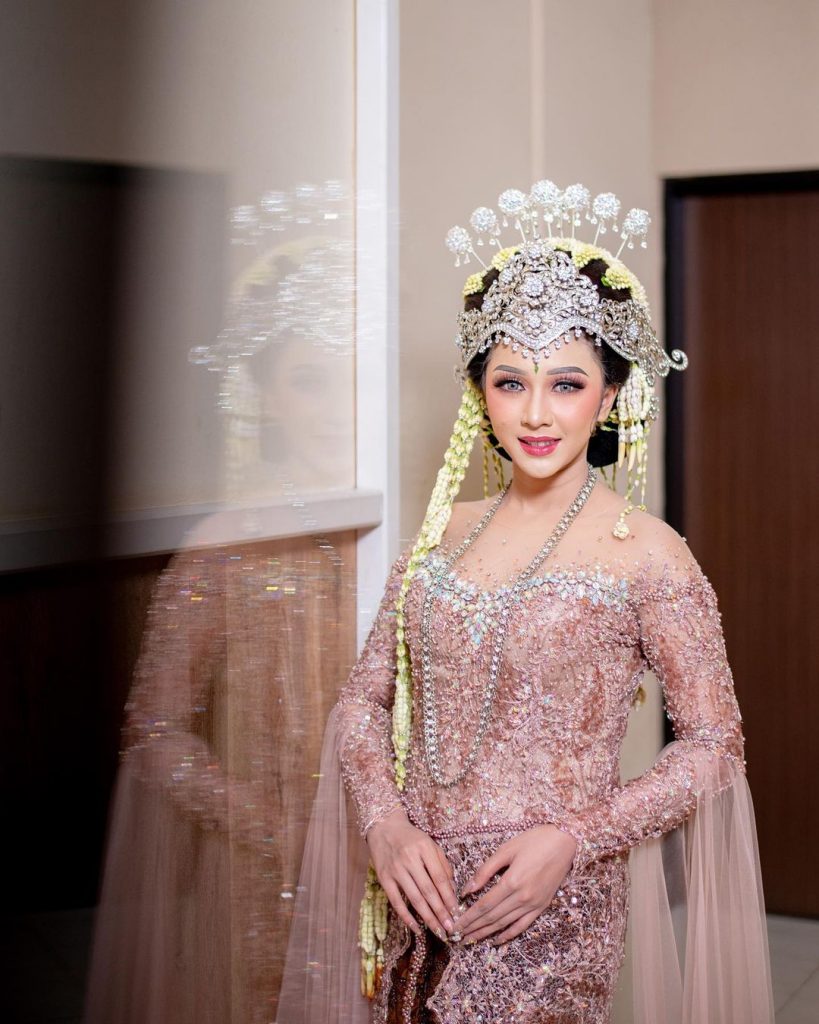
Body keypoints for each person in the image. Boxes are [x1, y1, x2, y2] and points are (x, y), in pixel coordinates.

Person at [277, 182, 776, 1023]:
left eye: (567, 384)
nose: (537, 413)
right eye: (511, 382)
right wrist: (385, 829)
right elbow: (365, 701)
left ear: (609, 397)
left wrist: (574, 840)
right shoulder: (438, 534)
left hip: (549, 905)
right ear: (480, 392)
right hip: (413, 891)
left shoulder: (647, 553)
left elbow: (713, 744)